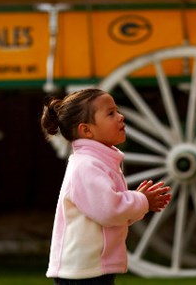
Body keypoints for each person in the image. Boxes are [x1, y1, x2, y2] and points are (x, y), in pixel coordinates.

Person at [40, 87, 172, 285]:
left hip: (90, 269)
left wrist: (141, 203)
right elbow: (109, 211)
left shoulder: (97, 162)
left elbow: (111, 215)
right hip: (82, 273)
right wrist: (141, 200)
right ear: (87, 130)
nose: (120, 117)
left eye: (117, 110)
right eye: (111, 113)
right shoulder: (86, 166)